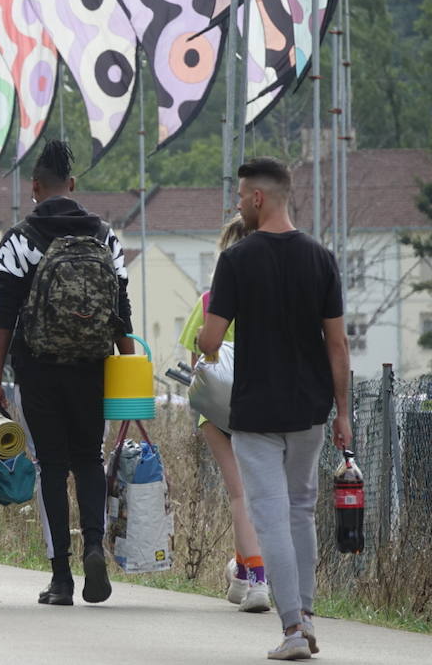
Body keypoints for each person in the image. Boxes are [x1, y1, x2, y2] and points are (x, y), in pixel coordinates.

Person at [198, 157, 351, 660]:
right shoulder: (321, 258)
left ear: (259, 198)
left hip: (258, 412)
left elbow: (212, 341)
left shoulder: (237, 261)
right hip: (311, 410)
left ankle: (291, 630)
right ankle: (305, 615)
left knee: (270, 515)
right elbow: (338, 345)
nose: (238, 204)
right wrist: (344, 413)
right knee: (301, 510)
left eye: (241, 196)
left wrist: (205, 334)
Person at [0, 139, 133, 607]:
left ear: (35, 188)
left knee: (51, 466)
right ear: (72, 185)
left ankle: (62, 578)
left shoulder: (19, 240)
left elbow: (3, 316)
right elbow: (121, 310)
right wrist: (128, 373)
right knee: (89, 458)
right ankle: (94, 545)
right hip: (92, 368)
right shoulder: (105, 237)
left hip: (39, 370)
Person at [177, 216, 269, 613]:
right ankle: (256, 577)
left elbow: (195, 358)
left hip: (215, 413)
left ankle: (248, 574)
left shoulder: (209, 301)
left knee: (238, 493)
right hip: (263, 404)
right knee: (256, 494)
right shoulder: (276, 299)